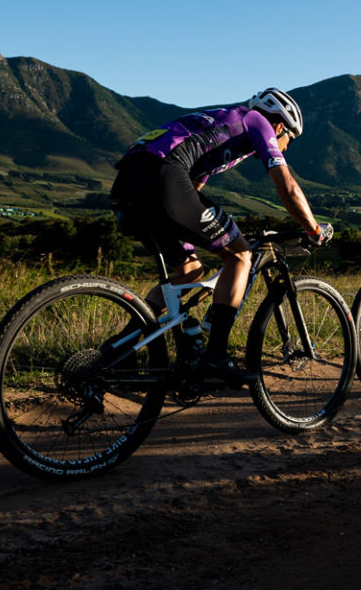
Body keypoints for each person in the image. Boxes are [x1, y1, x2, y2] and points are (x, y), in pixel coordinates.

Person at [110, 87, 333, 386]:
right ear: (280, 126)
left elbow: (192, 192)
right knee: (241, 255)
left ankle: (118, 351)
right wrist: (313, 229)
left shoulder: (221, 125)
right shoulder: (258, 121)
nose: (286, 147)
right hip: (163, 178)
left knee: (190, 271)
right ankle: (215, 356)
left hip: (129, 182)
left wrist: (211, 235)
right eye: (288, 140)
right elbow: (288, 187)